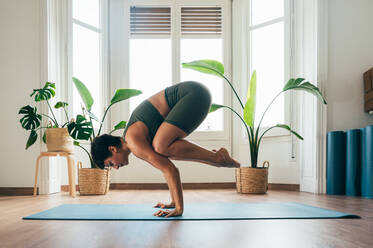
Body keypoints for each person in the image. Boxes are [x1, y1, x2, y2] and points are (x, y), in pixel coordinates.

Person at [91, 81, 240, 218]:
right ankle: (219, 158)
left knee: (160, 146)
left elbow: (170, 170)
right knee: (163, 147)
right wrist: (173, 203)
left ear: (113, 149)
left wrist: (179, 209)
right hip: (196, 94)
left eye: (110, 164)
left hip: (195, 94)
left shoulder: (134, 143)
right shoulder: (133, 138)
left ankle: (218, 158)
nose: (116, 167)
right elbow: (168, 166)